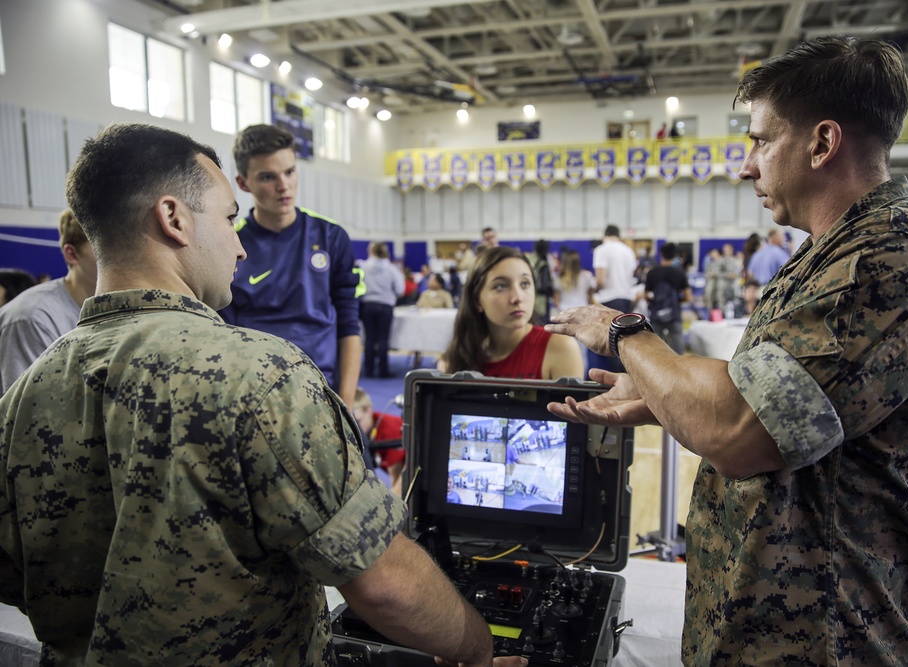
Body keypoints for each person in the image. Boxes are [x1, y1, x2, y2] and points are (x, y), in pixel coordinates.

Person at [0, 122, 524, 667]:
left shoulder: (25, 395)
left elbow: (16, 578)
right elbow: (384, 581)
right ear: (174, 218)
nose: (240, 246)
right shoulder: (264, 378)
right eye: (229, 219)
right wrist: (478, 650)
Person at [545, 36, 908, 665]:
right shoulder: (831, 251)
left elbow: (738, 429)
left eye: (760, 140)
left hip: (827, 637)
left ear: (822, 143)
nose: (746, 163)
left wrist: (623, 332)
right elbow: (773, 389)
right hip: (770, 625)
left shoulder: (895, 259)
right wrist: (657, 397)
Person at [219, 124, 363, 410]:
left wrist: (345, 405)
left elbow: (349, 325)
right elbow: (224, 337)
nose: (283, 185)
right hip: (255, 397)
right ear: (244, 183)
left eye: (289, 172)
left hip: (323, 392)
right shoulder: (231, 247)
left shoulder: (331, 238)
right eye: (267, 177)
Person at [439, 246, 582, 380]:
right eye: (501, 286)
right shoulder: (458, 357)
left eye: (525, 284)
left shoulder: (560, 347)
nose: (517, 297)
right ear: (477, 301)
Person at [0, 210, 97, 393]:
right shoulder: (32, 318)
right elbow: (29, 413)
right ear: (72, 255)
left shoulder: (113, 309)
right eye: (103, 247)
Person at [591, 224, 638, 373]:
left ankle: (609, 383)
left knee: (609, 343)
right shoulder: (629, 251)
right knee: (624, 341)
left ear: (604, 235)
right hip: (626, 299)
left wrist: (593, 290)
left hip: (609, 299)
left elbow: (600, 280)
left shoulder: (601, 250)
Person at [359, 241, 404, 379]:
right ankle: (383, 370)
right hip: (385, 305)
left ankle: (368, 369)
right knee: (383, 339)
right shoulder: (391, 269)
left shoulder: (363, 267)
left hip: (367, 305)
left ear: (371, 251)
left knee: (369, 338)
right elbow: (400, 289)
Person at [353, 387, 405, 495]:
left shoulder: (388, 430)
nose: (355, 427)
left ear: (368, 410)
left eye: (358, 421)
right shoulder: (369, 429)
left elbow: (398, 481)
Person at [643, 242, 691, 354]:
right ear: (675, 256)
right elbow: (688, 297)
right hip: (674, 315)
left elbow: (645, 295)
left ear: (661, 255)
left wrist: (653, 302)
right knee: (678, 351)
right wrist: (677, 301)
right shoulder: (680, 272)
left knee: (654, 351)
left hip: (656, 315)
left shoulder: (652, 273)